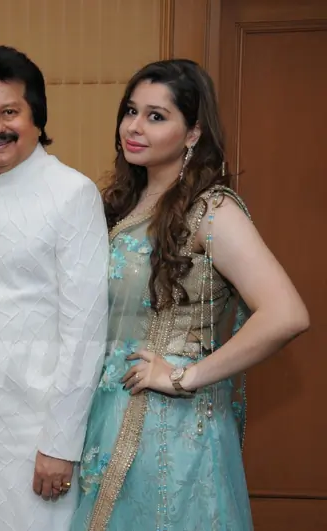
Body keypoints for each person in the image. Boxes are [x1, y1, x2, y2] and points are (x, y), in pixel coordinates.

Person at [70, 59, 310, 531]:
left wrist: (185, 376)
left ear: (193, 133)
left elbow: (286, 314)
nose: (134, 127)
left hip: (172, 428)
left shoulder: (211, 211)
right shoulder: (122, 205)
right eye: (131, 111)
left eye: (156, 116)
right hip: (111, 413)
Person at [0, 45, 110, 530]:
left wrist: (60, 444)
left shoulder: (72, 193)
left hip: (33, 438)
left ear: (36, 117)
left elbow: (86, 330)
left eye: (10, 112)